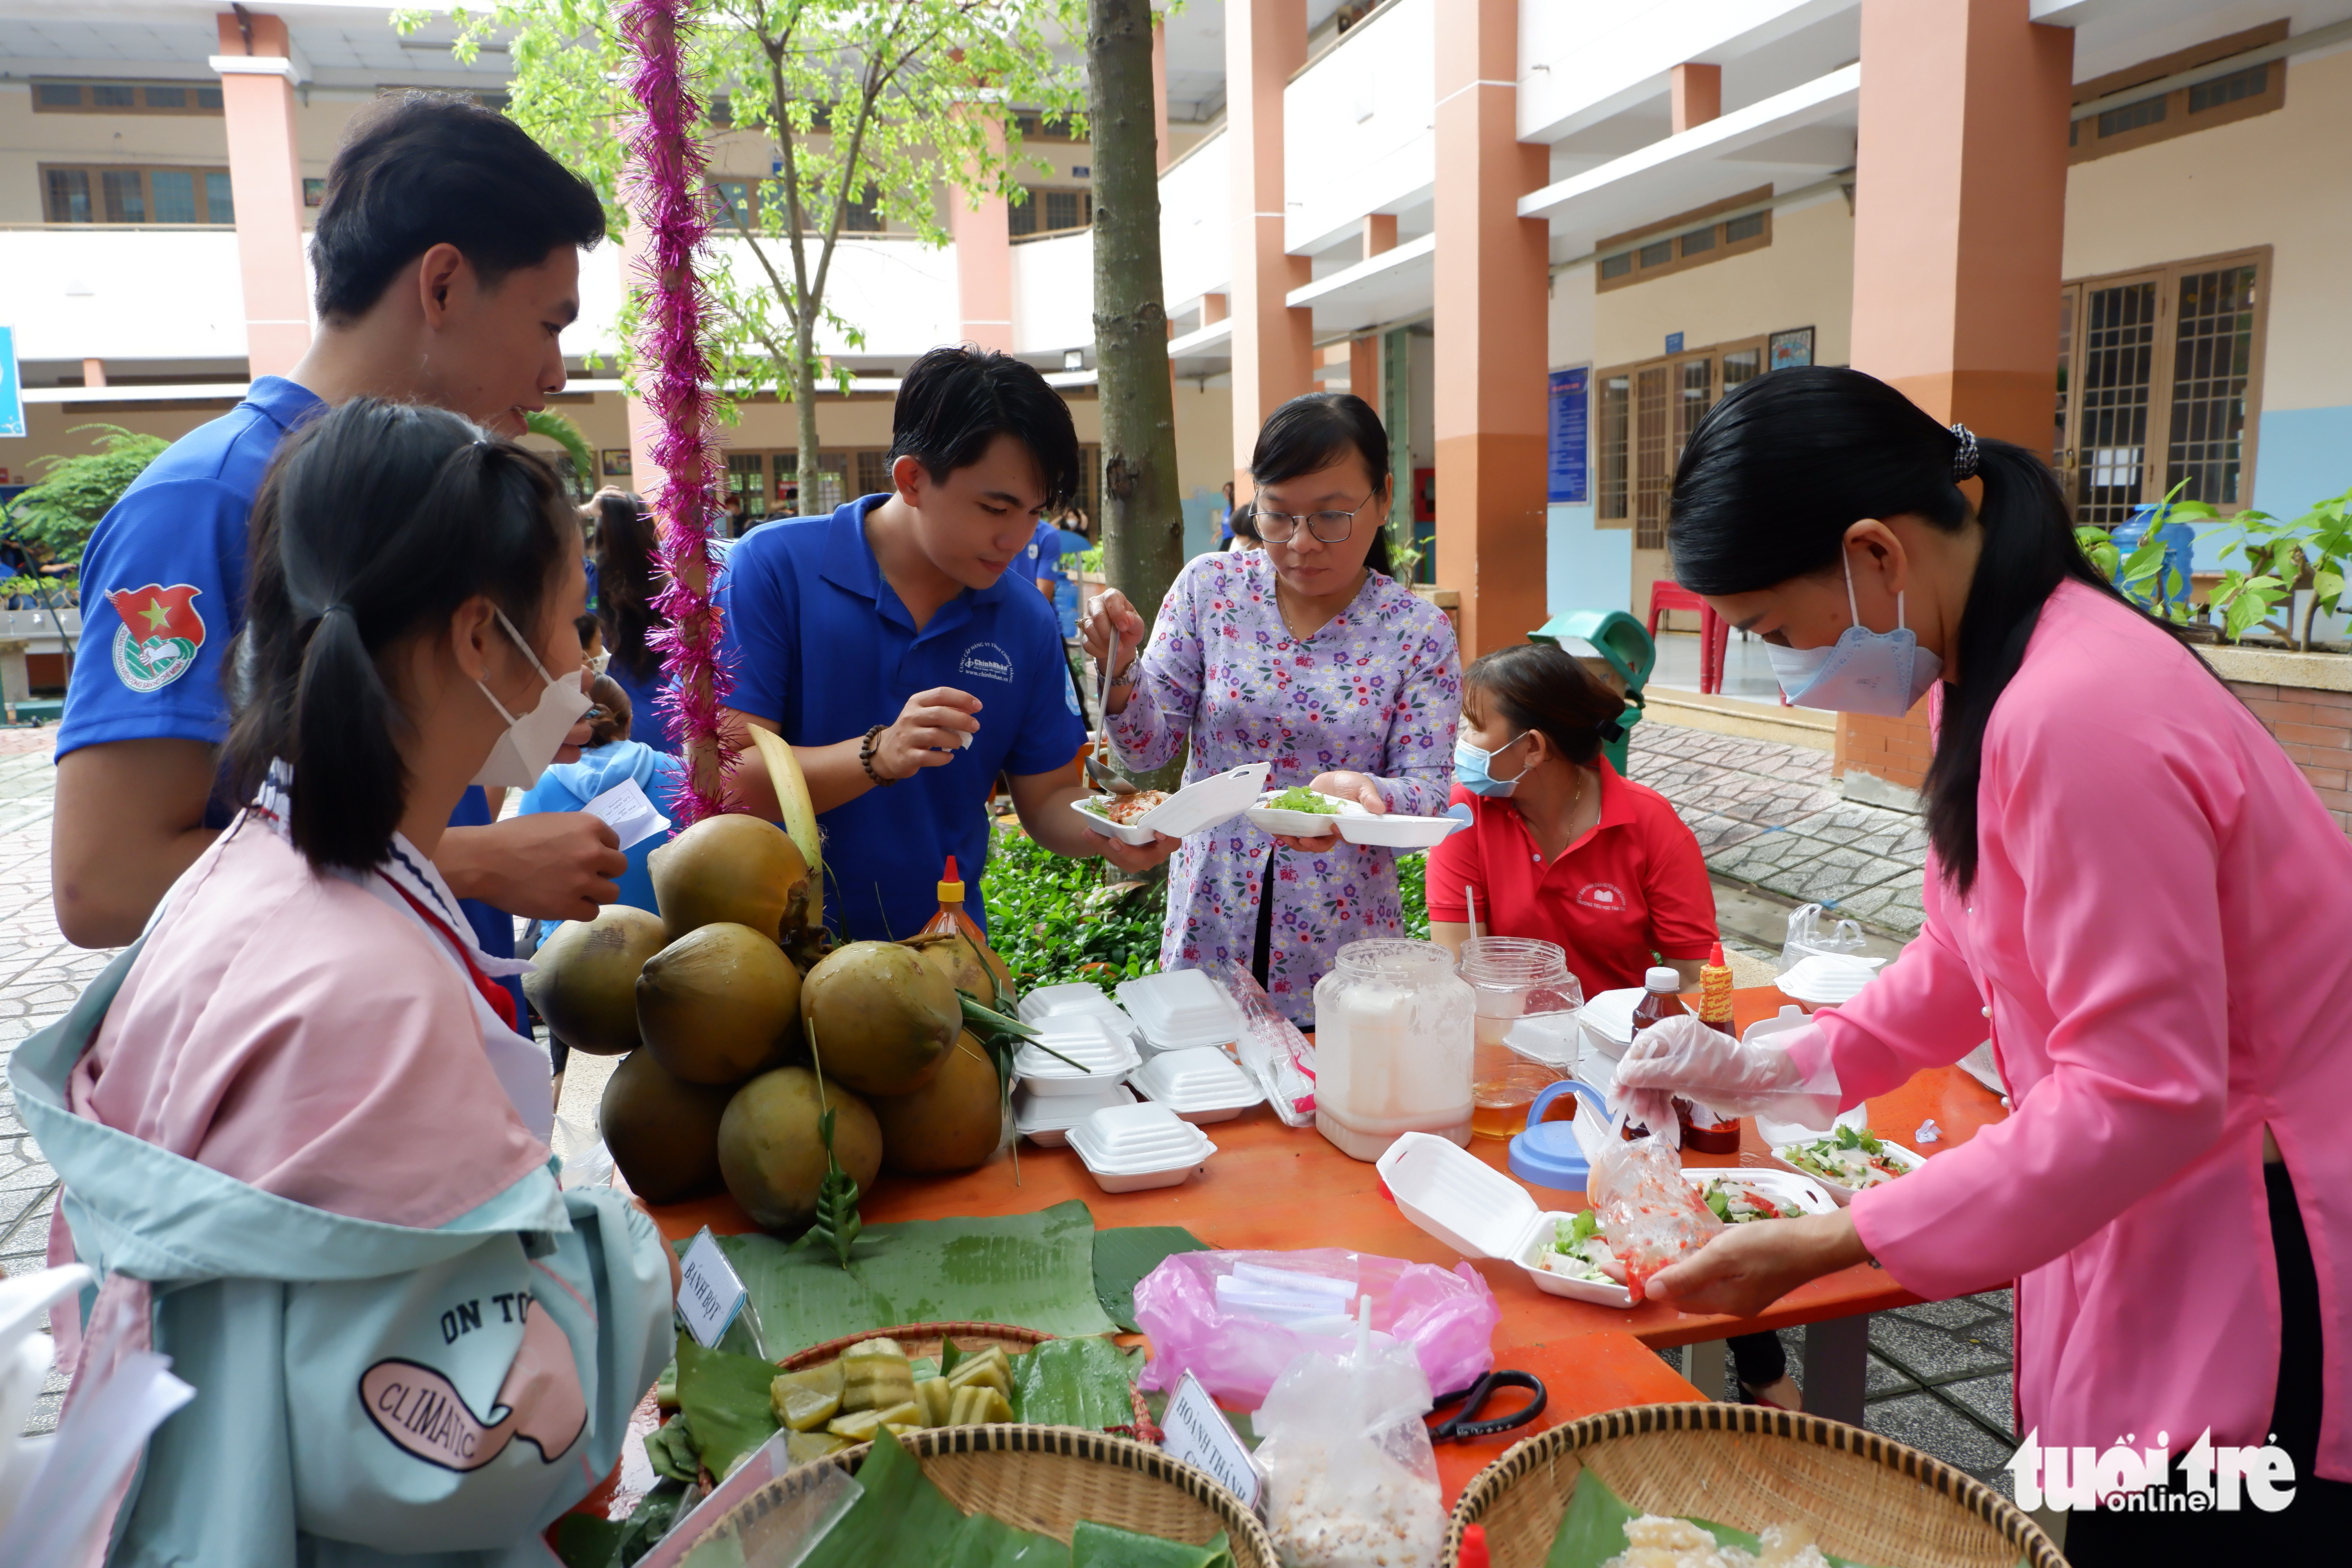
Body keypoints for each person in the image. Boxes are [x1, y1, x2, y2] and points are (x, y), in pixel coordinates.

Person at [1611, 367, 2352, 1557]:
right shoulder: (1989, 673)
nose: (1789, 667)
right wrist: (1753, 1065)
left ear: (1872, 556)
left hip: (2264, 1255)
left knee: (2196, 1531)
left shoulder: (2076, 714)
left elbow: (2141, 1091)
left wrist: (1834, 1239)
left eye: (1772, 631)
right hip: (2149, 1206)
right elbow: (1959, 959)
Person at [19, 400, 674, 1563]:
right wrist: (618, 1249)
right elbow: (462, 1445)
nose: (582, 668)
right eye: (573, 626)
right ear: (482, 640)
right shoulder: (370, 988)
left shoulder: (242, 877)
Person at [51, 93, 627, 1001]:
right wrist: (468, 860)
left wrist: (510, 725)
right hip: (314, 1091)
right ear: (441, 285)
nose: (557, 374)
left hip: (427, 1042)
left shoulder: (447, 495)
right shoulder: (203, 503)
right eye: (550, 324)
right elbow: (107, 882)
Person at [1422, 641, 1796, 1407]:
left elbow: (1703, 971)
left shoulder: (1648, 824)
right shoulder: (1465, 815)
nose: (1458, 742)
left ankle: (1760, 1365)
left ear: (1532, 747)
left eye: (1474, 724)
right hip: (1507, 1065)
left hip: (1632, 1068)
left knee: (1679, 1196)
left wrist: (1633, 1023)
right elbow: (1456, 964)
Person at [719, 345, 1170, 946]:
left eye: (1034, 513)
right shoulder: (775, 569)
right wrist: (876, 755)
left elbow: (1048, 799)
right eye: (995, 508)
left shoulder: (1023, 618)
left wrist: (1114, 828)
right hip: (769, 961)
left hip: (942, 962)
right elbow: (728, 778)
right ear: (912, 479)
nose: (1017, 538)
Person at [1082, 392, 1460, 1023]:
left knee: (1330, 1098)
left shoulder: (1417, 631)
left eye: (1331, 517)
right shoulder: (1212, 590)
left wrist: (1362, 795)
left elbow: (1428, 791)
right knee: (1210, 1092)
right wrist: (1120, 667)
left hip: (1341, 937)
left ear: (1384, 497)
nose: (1301, 543)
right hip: (1212, 912)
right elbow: (1148, 749)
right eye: (1278, 516)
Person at [588, 487, 681, 753]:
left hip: (607, 728)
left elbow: (539, 543)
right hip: (666, 726)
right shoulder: (673, 587)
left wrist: (586, 510)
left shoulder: (586, 583)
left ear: (601, 533)